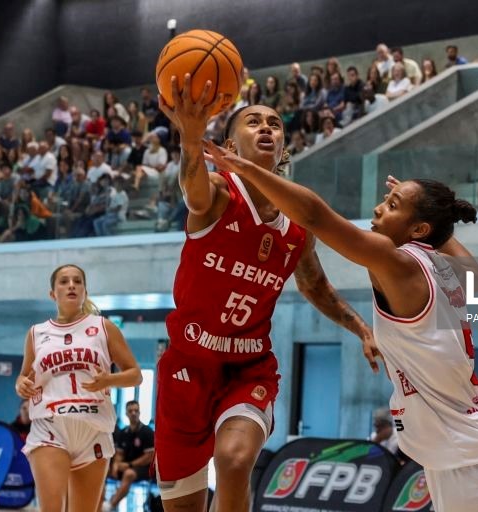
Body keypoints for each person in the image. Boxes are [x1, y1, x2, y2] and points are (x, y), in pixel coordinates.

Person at [203, 140, 478, 510]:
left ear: (419, 229)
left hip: (472, 459)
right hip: (471, 451)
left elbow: (315, 217)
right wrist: (432, 221)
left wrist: (247, 170)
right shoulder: (448, 271)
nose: (379, 207)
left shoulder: (400, 263)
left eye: (393, 205)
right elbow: (477, 273)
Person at [154, 75, 376, 512]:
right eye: (253, 121)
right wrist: (191, 139)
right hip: (187, 367)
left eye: (274, 123)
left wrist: (360, 327)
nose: (267, 127)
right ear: (231, 148)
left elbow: (315, 285)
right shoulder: (218, 192)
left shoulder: (298, 223)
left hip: (248, 368)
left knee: (234, 461)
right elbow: (192, 193)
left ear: (283, 149)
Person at [15, 264, 142, 512]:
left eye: (77, 281)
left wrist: (108, 381)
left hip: (93, 427)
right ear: (53, 293)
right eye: (64, 281)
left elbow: (135, 375)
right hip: (51, 425)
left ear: (84, 290)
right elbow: (23, 376)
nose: (71, 285)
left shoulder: (104, 328)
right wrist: (21, 383)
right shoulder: (36, 333)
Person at [102, 400, 154, 512]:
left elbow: (148, 457)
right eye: (130, 411)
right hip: (127, 465)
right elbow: (119, 453)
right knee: (104, 470)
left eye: (136, 410)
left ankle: (110, 505)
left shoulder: (147, 432)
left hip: (144, 468)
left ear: (140, 412)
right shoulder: (123, 432)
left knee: (128, 473)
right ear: (126, 414)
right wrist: (116, 465)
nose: (133, 413)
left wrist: (129, 465)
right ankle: (101, 501)